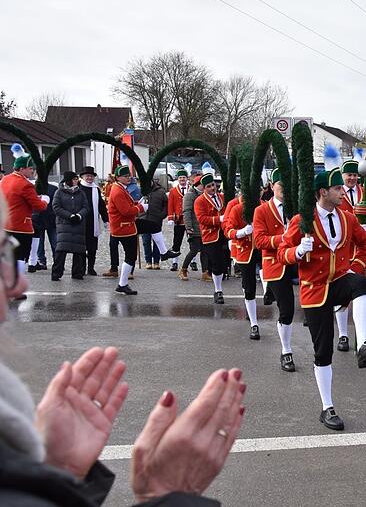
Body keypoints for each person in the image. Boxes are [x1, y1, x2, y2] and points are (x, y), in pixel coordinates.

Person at [0, 191, 246, 506]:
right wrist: (163, 497)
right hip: (126, 228)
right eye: (3, 255)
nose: (20, 285)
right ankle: (123, 281)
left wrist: (56, 472)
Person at [277, 167, 366, 431]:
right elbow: (282, 253)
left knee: (360, 284)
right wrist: (298, 252)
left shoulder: (347, 217)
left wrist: (357, 265)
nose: (342, 193)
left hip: (338, 280)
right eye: (337, 189)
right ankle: (327, 407)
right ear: (324, 191)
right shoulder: (303, 219)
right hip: (314, 290)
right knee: (323, 352)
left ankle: (365, 342)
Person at [334, 160, 366, 351]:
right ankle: (343, 335)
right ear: (343, 175)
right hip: (343, 249)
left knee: (365, 293)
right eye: (349, 175)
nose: (353, 178)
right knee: (343, 296)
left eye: (355, 175)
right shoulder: (336, 193)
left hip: (364, 250)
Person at [254, 169, 297, 371]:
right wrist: (284, 238)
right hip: (276, 264)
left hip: (299, 261)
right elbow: (259, 240)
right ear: (272, 186)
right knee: (287, 310)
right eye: (280, 184)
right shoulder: (261, 211)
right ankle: (286, 350)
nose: (284, 189)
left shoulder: (296, 208)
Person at [0, 154, 49, 275]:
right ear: (22, 169)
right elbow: (39, 206)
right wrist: (45, 200)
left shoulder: (5, 179)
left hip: (5, 224)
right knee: (21, 257)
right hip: (21, 226)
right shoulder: (25, 184)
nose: (32, 170)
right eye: (30, 168)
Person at [223, 189, 260, 340]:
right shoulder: (235, 207)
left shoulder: (263, 206)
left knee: (267, 271)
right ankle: (254, 323)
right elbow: (228, 230)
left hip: (261, 248)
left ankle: (268, 291)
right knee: (249, 286)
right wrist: (242, 232)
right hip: (243, 250)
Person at [108, 166, 147, 296]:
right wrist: (141, 207)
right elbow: (125, 211)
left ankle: (164, 251)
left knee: (153, 227)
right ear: (118, 178)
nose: (128, 178)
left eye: (129, 175)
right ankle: (122, 284)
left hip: (125, 226)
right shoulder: (118, 191)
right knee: (130, 256)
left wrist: (136, 203)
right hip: (123, 227)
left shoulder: (120, 188)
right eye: (125, 176)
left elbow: (127, 205)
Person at [194, 173, 229, 304]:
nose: (212, 188)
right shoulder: (199, 201)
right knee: (216, 264)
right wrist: (218, 219)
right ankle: (218, 290)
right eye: (209, 186)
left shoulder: (222, 197)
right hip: (210, 236)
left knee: (224, 263)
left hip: (224, 234)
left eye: (213, 185)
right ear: (204, 188)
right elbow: (201, 219)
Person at [50, 171, 90, 281]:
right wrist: (69, 216)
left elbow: (86, 207)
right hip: (64, 225)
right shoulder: (59, 192)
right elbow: (56, 207)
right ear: (69, 180)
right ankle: (57, 272)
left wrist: (79, 215)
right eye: (74, 179)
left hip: (78, 224)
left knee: (79, 250)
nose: (77, 181)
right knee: (61, 249)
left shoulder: (81, 193)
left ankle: (78, 272)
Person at [138, 178, 176, 270]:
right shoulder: (141, 191)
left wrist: (161, 215)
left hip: (156, 220)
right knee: (146, 241)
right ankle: (148, 261)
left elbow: (166, 205)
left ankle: (156, 261)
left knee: (157, 241)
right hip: (144, 219)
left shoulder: (160, 191)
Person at [78, 166, 108, 276]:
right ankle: (81, 267)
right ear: (82, 177)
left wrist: (106, 219)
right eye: (87, 176)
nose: (89, 178)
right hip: (81, 221)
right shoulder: (78, 188)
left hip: (93, 222)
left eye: (91, 176)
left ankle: (91, 267)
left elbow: (101, 205)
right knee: (81, 247)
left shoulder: (96, 189)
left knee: (92, 248)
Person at [28, 180, 58, 272]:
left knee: (54, 243)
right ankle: (41, 261)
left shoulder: (53, 188)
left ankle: (57, 262)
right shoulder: (31, 188)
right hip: (37, 220)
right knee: (38, 244)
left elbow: (56, 204)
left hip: (51, 219)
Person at [167, 169, 190, 272]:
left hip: (190, 221)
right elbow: (170, 205)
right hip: (178, 220)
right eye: (180, 178)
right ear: (178, 179)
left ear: (187, 178)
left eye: (184, 178)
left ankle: (193, 261)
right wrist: (171, 217)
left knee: (192, 242)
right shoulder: (173, 191)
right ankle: (174, 262)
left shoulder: (191, 190)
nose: (182, 179)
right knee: (177, 242)